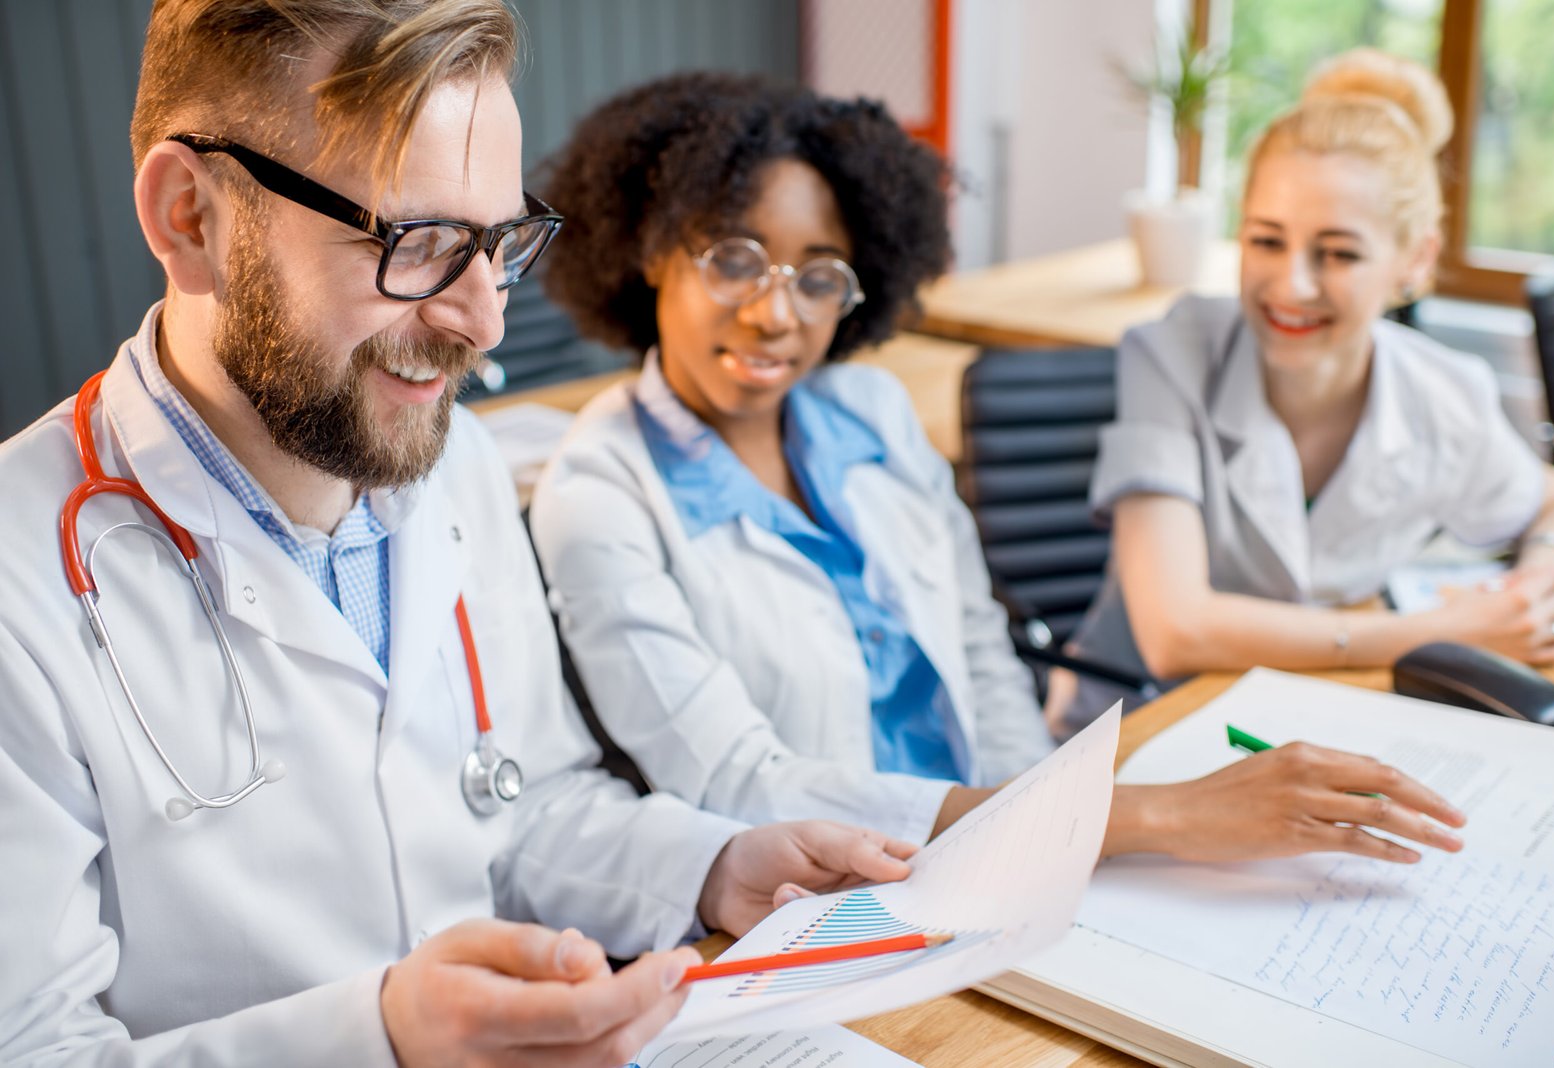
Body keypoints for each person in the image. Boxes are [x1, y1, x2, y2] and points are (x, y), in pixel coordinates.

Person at [0, 5, 920, 1064]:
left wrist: (712, 867)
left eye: (497, 243)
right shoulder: (22, 580)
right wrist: (382, 1038)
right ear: (190, 217)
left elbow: (529, 806)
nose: (484, 320)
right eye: (419, 243)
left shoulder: (456, 467)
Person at [530, 73, 1466, 862]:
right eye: (736, 261)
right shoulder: (601, 493)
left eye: (819, 276)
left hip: (1003, 856)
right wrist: (1128, 819)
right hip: (821, 899)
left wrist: (1038, 816)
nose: (778, 316)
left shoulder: (872, 414)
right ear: (651, 251)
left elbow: (981, 645)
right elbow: (741, 785)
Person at [1063, 49, 1554, 724]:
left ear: (1415, 259)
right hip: (1145, 721)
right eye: (1266, 242)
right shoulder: (1171, 352)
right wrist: (1446, 632)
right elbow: (1176, 632)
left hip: (1321, 711)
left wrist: (1535, 580)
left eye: (1338, 253)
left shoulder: (1443, 388)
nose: (1292, 286)